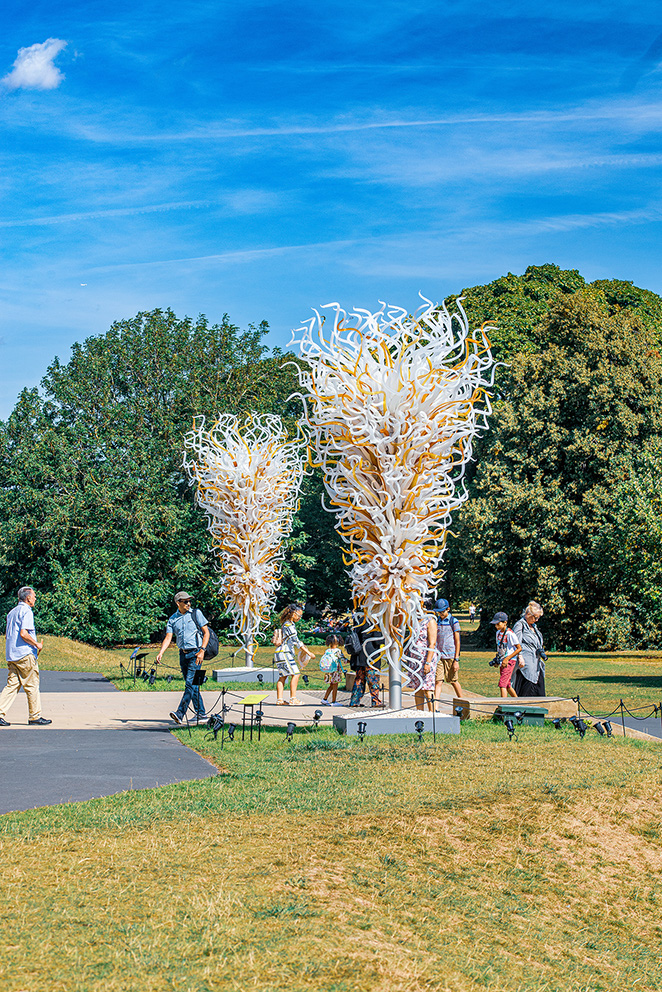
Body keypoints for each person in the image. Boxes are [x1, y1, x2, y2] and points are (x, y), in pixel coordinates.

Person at [0, 586, 51, 727]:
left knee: (12, 686)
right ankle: (34, 716)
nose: (35, 598)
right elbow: (23, 633)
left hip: (12, 655)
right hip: (24, 655)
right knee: (32, 684)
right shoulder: (26, 611)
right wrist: (36, 644)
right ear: (28, 598)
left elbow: (8, 635)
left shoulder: (12, 612)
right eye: (34, 596)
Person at [156, 591, 209, 725]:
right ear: (178, 603)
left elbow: (206, 632)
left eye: (189, 601)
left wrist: (202, 650)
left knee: (190, 684)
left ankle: (180, 713)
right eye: (185, 601)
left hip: (196, 653)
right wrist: (161, 652)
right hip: (183, 655)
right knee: (193, 686)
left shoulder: (196, 614)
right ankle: (201, 714)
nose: (188, 604)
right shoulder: (173, 619)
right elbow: (168, 637)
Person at [274, 603, 314, 705]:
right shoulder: (289, 625)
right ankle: (293, 698)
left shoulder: (287, 624)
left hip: (280, 652)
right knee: (296, 674)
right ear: (293, 613)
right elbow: (296, 641)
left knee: (282, 676)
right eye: (299, 615)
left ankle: (280, 700)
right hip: (285, 652)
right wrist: (308, 653)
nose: (300, 618)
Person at [512, 601, 546, 696]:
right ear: (528, 614)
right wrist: (520, 656)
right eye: (535, 617)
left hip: (536, 664)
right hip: (525, 664)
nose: (537, 620)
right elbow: (516, 643)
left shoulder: (534, 626)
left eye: (538, 617)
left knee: (539, 690)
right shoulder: (520, 625)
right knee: (527, 690)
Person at [348, 619, 384, 707]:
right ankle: (376, 701)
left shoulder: (359, 620)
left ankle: (354, 701)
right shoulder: (374, 622)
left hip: (358, 654)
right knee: (373, 679)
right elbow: (378, 640)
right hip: (371, 655)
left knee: (359, 679)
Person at [433, 598, 463, 703]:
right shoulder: (436, 621)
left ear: (448, 609)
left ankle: (463, 701)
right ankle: (435, 705)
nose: (440, 614)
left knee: (453, 681)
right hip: (439, 656)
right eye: (438, 612)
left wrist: (456, 660)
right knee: (438, 681)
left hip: (450, 656)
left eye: (442, 611)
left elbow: (457, 641)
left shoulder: (453, 621)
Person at [408, 612, 438, 711]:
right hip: (415, 661)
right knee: (418, 688)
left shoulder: (430, 621)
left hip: (426, 660)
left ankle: (432, 714)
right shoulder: (414, 621)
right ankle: (420, 713)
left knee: (427, 688)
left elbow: (432, 643)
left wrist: (428, 663)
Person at [490, 611, 521, 698]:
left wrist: (507, 659)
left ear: (505, 623)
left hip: (509, 661)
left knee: (502, 684)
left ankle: (504, 706)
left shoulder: (510, 634)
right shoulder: (498, 633)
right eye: (495, 624)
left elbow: (519, 648)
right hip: (502, 661)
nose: (496, 626)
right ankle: (517, 701)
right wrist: (497, 660)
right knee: (507, 685)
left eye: (498, 624)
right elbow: (499, 648)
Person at [319, 633, 346, 706]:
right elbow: (343, 659)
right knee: (335, 686)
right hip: (336, 670)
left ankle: (325, 699)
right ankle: (334, 701)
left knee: (331, 685)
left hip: (329, 670)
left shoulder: (327, 651)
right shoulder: (338, 651)